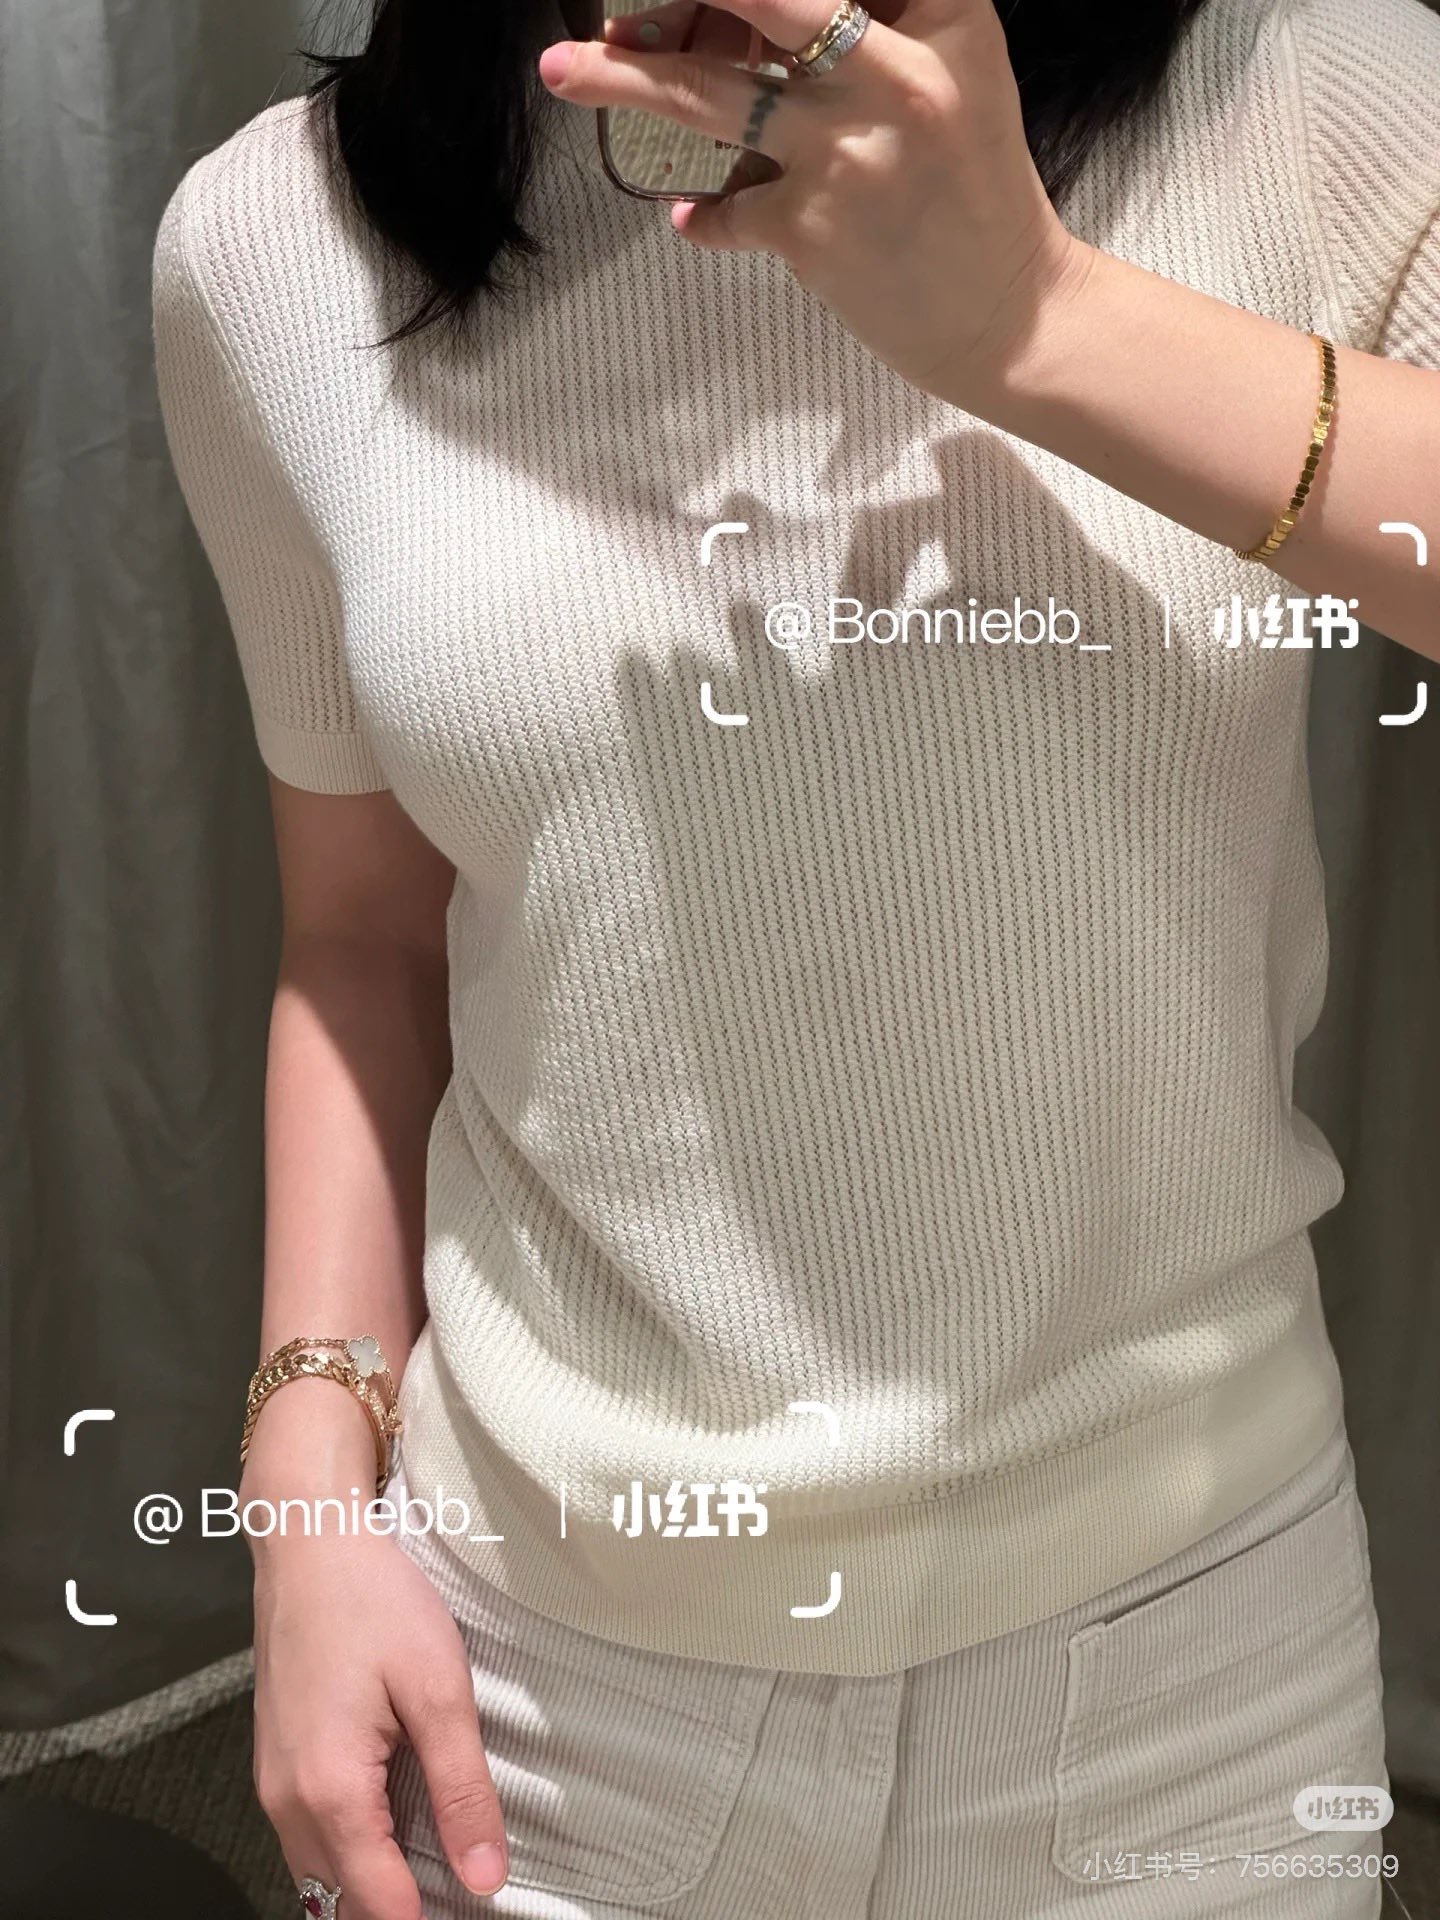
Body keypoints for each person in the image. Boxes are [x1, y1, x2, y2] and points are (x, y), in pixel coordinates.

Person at [152, 0, 1440, 1911]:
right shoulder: (275, 244)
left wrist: (1044, 319)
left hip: (1182, 1679)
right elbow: (360, 943)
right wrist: (305, 1500)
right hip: (535, 1699)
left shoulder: (1304, 85)